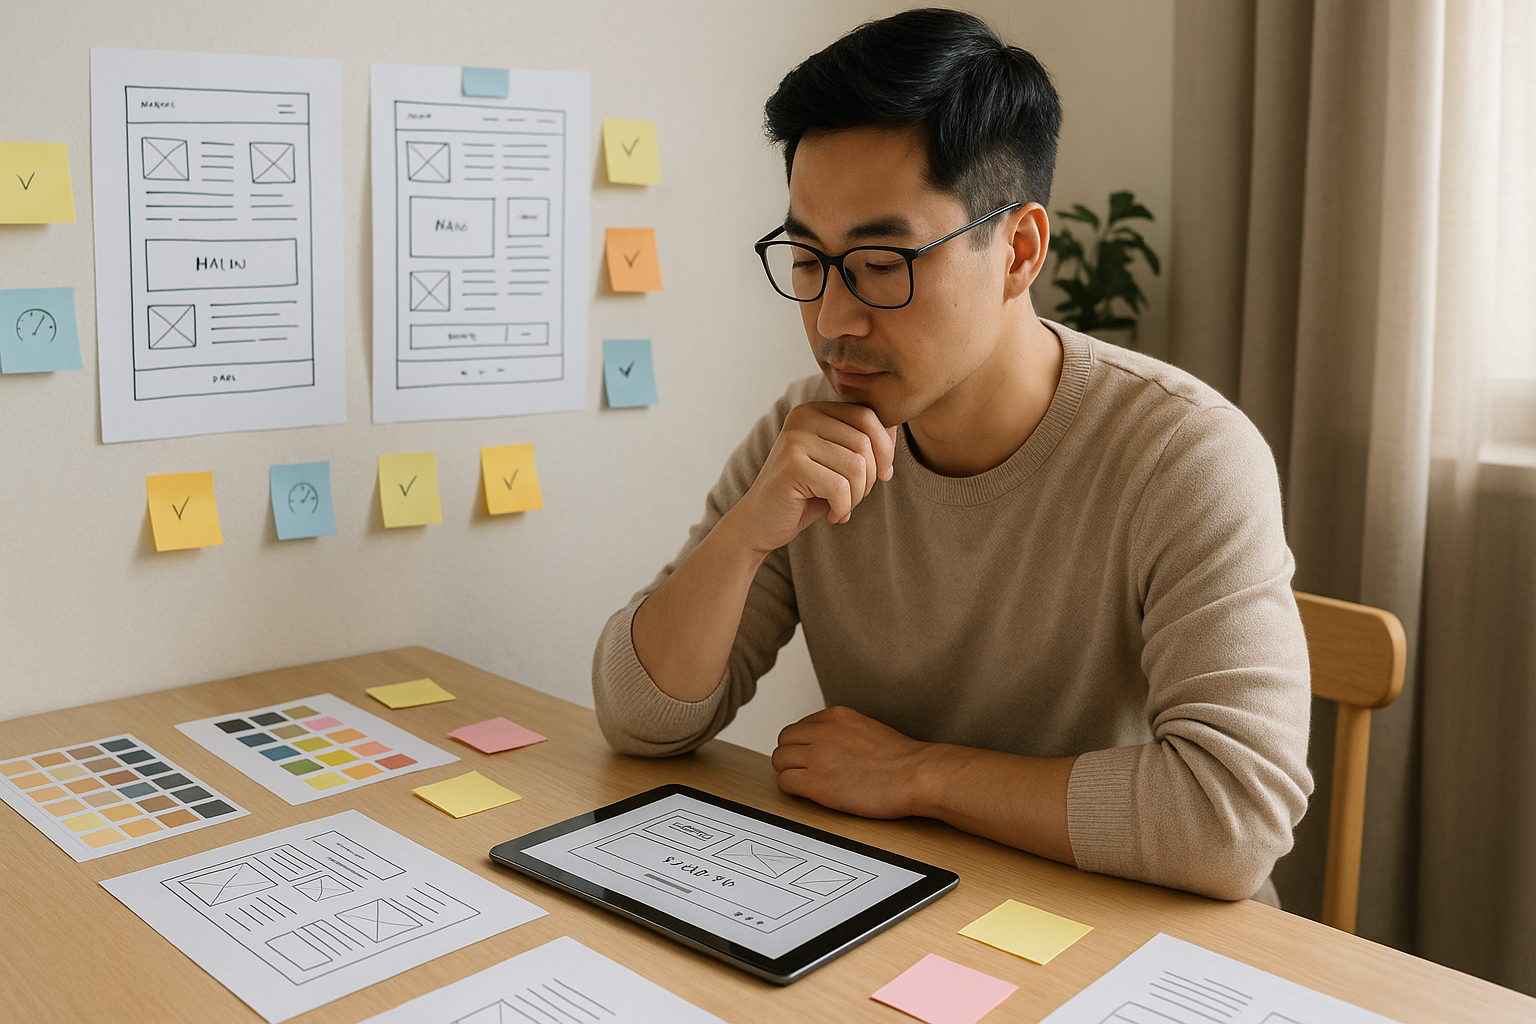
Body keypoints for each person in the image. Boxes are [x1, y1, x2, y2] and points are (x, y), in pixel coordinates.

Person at [592, 8, 1311, 903]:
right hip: (907, 909)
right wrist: (742, 538)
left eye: (884, 263)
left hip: (1134, 942)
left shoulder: (1184, 453)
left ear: (1018, 250)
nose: (832, 321)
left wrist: (919, 775)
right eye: (808, 259)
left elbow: (1230, 821)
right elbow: (640, 718)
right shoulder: (815, 430)